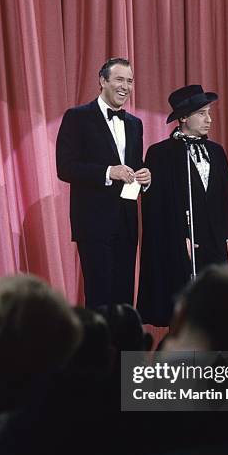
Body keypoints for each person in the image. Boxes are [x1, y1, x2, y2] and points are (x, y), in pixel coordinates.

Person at [137, 85, 228, 327]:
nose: (209, 119)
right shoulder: (161, 153)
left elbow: (226, 196)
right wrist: (177, 238)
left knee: (215, 304)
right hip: (183, 243)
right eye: (202, 113)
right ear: (183, 118)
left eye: (209, 113)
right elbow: (155, 206)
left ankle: (215, 360)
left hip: (214, 240)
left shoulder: (216, 151)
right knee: (184, 307)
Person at [56, 58, 151, 308]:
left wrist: (145, 177)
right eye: (119, 79)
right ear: (102, 81)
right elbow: (65, 168)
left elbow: (135, 163)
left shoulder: (134, 124)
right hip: (93, 224)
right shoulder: (77, 117)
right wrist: (110, 172)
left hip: (127, 223)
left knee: (124, 300)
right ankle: (99, 348)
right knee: (99, 299)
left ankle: (122, 347)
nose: (126, 86)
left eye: (129, 81)